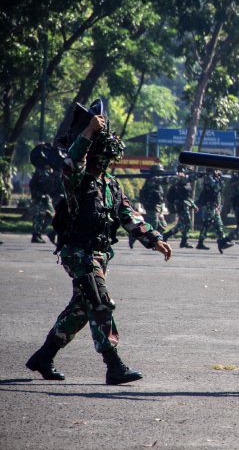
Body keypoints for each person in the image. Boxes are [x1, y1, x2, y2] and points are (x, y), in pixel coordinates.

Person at [25, 100, 172, 385]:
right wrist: (90, 131)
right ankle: (113, 365)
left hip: (99, 254)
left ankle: (44, 356)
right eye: (102, 154)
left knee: (81, 311)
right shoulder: (78, 180)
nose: (106, 160)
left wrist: (155, 240)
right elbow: (70, 162)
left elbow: (130, 216)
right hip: (79, 253)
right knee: (100, 302)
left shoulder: (111, 185)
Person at [129, 163, 169, 248]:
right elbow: (166, 180)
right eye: (158, 172)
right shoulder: (153, 179)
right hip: (151, 206)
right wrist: (178, 177)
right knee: (151, 225)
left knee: (162, 225)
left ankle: (158, 241)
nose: (160, 174)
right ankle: (134, 235)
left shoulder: (155, 181)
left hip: (157, 207)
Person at [196, 168, 234, 253]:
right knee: (207, 223)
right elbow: (217, 187)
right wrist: (220, 178)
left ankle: (222, 242)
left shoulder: (213, 177)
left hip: (214, 205)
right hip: (209, 205)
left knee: (219, 224)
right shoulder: (209, 177)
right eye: (217, 170)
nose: (219, 171)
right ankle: (200, 243)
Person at [162, 166, 198, 248]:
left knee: (183, 224)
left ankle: (182, 241)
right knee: (186, 223)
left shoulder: (185, 182)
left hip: (184, 204)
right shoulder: (178, 180)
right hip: (180, 205)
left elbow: (187, 196)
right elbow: (191, 178)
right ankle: (168, 236)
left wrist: (193, 205)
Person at [28, 153, 56, 244]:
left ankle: (38, 233)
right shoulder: (41, 171)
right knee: (39, 216)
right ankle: (36, 235)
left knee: (50, 215)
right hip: (39, 197)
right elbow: (45, 182)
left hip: (45, 196)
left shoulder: (46, 170)